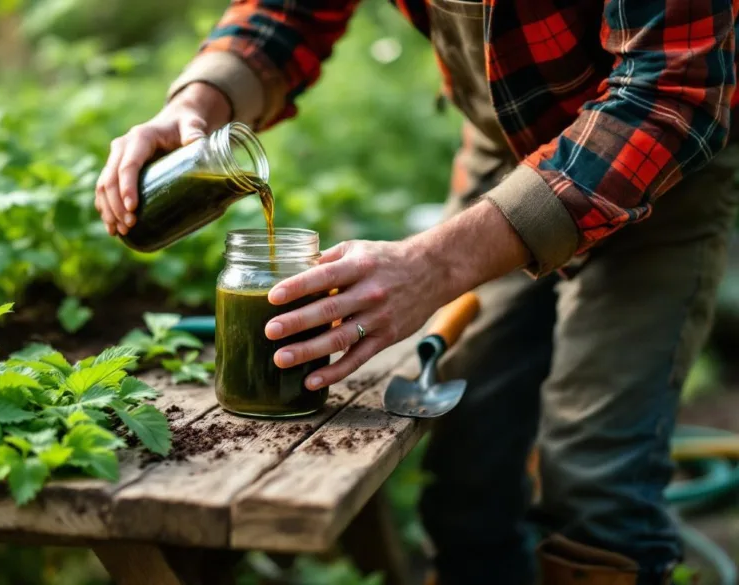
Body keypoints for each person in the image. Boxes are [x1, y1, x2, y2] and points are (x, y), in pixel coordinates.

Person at [94, 1, 739, 583]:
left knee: (595, 481)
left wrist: (434, 265)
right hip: (507, 152)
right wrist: (199, 101)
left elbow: (670, 93)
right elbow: (288, 9)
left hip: (660, 161)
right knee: (469, 462)